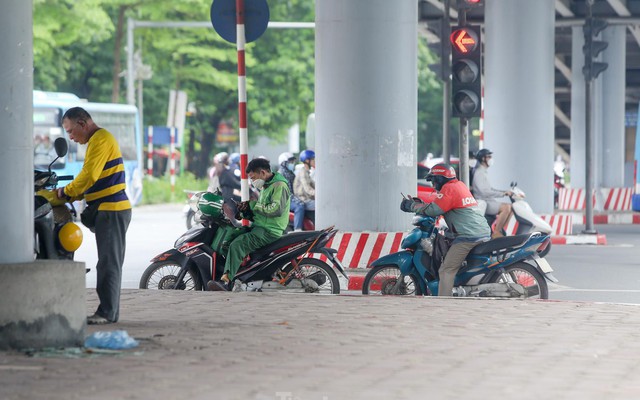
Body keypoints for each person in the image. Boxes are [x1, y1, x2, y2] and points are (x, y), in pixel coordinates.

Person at [56, 107, 131, 324]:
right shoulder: (97, 140)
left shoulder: (101, 139)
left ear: (82, 123)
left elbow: (89, 176)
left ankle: (107, 313)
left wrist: (64, 192)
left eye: (71, 131)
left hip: (112, 208)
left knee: (108, 262)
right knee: (108, 261)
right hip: (106, 209)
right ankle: (109, 311)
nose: (70, 136)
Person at [401, 163, 491, 297]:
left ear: (439, 179)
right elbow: (439, 205)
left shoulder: (449, 188)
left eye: (433, 180)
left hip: (468, 236)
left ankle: (444, 302)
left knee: (446, 270)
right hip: (480, 232)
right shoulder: (458, 185)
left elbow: (434, 210)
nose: (432, 184)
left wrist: (412, 206)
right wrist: (420, 204)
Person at [208, 158, 291, 290]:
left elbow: (275, 210)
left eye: (253, 178)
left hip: (269, 230)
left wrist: (253, 205)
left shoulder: (279, 186)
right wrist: (245, 211)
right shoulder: (267, 185)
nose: (252, 181)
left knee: (237, 245)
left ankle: (227, 282)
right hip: (260, 226)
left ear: (263, 173)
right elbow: (261, 212)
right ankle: (240, 273)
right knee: (228, 239)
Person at [471, 148, 513, 239]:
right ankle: (496, 232)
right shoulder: (479, 173)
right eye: (489, 157)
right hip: (484, 201)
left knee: (511, 207)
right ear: (483, 159)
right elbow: (484, 191)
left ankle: (500, 230)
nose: (491, 159)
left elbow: (489, 189)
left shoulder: (483, 172)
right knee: (506, 208)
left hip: (488, 200)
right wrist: (502, 194)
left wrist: (503, 192)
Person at [278, 151, 307, 231]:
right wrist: (299, 199)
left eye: (293, 161)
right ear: (284, 163)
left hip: (290, 198)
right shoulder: (281, 175)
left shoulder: (290, 173)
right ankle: (297, 229)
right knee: (299, 206)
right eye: (290, 161)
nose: (292, 163)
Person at [293, 149, 315, 223]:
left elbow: (314, 185)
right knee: (320, 205)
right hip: (304, 200)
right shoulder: (303, 172)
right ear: (307, 161)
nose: (314, 161)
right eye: (312, 159)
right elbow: (307, 189)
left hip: (307, 198)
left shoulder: (307, 172)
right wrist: (318, 194)